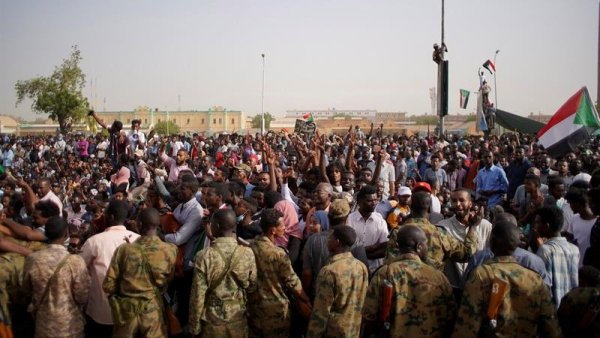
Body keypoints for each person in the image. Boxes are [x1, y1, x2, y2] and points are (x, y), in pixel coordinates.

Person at [453, 220, 561, 337]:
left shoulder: (481, 274)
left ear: (492, 243)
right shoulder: (535, 279)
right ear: (517, 245)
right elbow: (551, 325)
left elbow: (467, 323)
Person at [363, 225, 456, 337]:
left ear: (398, 246)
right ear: (419, 247)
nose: (427, 247)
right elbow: (450, 316)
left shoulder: (384, 273)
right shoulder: (438, 277)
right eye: (426, 244)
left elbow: (369, 315)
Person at [103, 208, 177, 338]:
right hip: (153, 313)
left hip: (126, 313)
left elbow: (108, 285)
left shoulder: (124, 250)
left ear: (140, 224)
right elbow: (168, 280)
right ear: (158, 225)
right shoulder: (170, 250)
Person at [188, 209, 257, 337]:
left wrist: (194, 328)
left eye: (212, 223)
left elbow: (198, 295)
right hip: (238, 319)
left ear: (217, 226)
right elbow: (252, 286)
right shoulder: (247, 253)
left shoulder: (204, 256)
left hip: (212, 322)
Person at [80, 200, 140, 338]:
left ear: (111, 217)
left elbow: (80, 269)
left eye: (105, 213)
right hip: (130, 311)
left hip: (101, 312)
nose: (103, 216)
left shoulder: (95, 241)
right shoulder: (138, 239)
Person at [22, 216, 90, 338]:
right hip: (70, 327)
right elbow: (82, 296)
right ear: (66, 234)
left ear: (46, 233)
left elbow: (26, 290)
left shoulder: (33, 259)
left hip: (44, 326)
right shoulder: (76, 261)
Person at [248, 208, 311, 337]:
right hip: (276, 312)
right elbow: (293, 282)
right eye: (282, 225)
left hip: (254, 309)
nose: (285, 228)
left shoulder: (250, 246)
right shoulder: (278, 254)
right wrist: (306, 300)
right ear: (273, 230)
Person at [386, 191, 480, 271]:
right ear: (430, 209)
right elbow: (467, 254)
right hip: (432, 289)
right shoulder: (440, 233)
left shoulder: (398, 232)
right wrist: (472, 227)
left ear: (410, 208)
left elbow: (389, 264)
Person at [306, 225, 368, 338]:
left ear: (337, 242)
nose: (327, 240)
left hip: (334, 332)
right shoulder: (361, 267)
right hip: (354, 329)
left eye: (330, 238)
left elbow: (321, 312)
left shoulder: (329, 271)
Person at [463, 212, 552, 288]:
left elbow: (465, 289)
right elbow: (546, 293)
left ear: (492, 233)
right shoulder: (534, 261)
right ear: (517, 234)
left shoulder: (479, 259)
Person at [301, 199, 368, 298]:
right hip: (346, 299)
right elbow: (363, 272)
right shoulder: (355, 241)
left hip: (319, 297)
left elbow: (307, 273)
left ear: (328, 216)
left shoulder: (313, 240)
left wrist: (305, 298)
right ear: (347, 217)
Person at [437, 189, 492, 287]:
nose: (458, 204)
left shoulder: (485, 226)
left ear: (470, 204)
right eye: (454, 201)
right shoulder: (443, 227)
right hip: (452, 286)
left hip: (479, 286)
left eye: (462, 200)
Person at [534, 206, 580, 308]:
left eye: (537, 222)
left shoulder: (545, 250)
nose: (535, 226)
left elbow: (543, 286)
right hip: (572, 306)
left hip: (554, 309)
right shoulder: (574, 249)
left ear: (546, 226)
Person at [346, 185, 389, 274]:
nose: (373, 203)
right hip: (353, 269)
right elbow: (348, 247)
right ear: (360, 201)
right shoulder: (350, 219)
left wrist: (361, 255)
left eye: (375, 200)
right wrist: (371, 248)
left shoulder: (380, 221)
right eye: (369, 201)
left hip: (374, 270)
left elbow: (384, 249)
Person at [563, 188, 597, 267]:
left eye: (570, 203)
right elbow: (570, 237)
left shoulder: (597, 222)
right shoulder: (574, 218)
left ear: (578, 203)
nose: (570, 207)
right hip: (576, 265)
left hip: (592, 268)